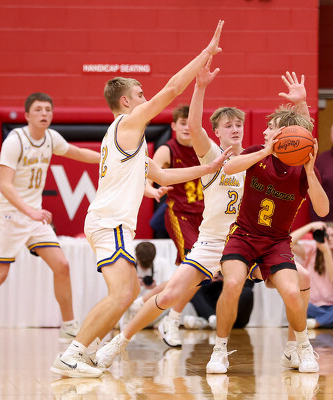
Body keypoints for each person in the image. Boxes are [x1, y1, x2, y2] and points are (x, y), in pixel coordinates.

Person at [51, 20, 228, 378]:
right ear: (126, 101)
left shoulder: (127, 139)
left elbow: (163, 177)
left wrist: (209, 168)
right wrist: (205, 54)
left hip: (108, 222)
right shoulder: (127, 124)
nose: (147, 98)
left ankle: (87, 349)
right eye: (141, 93)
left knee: (128, 290)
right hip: (110, 222)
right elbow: (173, 88)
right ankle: (71, 355)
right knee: (121, 294)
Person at [93, 55, 248, 369]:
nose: (234, 129)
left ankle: (291, 345)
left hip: (242, 240)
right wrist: (200, 86)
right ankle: (125, 338)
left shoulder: (254, 157)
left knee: (284, 280)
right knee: (172, 291)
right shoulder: (209, 152)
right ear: (216, 133)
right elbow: (168, 162)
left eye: (238, 125)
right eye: (227, 125)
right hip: (201, 230)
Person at [0, 92, 101, 350]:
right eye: (38, 110)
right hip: (8, 214)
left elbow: (77, 152)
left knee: (62, 265)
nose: (44, 114)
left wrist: (106, 159)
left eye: (48, 109)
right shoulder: (15, 141)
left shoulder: (51, 138)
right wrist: (31, 211)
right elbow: (5, 185)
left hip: (33, 216)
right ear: (27, 115)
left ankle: (69, 326)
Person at [207, 72, 329, 374]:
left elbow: (323, 210)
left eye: (271, 128)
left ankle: (302, 347)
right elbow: (228, 169)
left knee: (293, 290)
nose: (265, 131)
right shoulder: (255, 155)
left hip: (276, 243)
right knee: (232, 284)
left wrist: (310, 171)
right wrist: (265, 150)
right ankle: (219, 350)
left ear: (286, 136)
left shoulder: (302, 170)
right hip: (244, 237)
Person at [148, 105, 205, 265]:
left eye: (190, 123)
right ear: (174, 126)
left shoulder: (205, 146)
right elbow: (147, 180)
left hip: (205, 213)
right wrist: (153, 191)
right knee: (192, 261)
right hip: (180, 213)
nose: (187, 128)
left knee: (207, 264)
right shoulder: (166, 150)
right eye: (182, 123)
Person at [119, 241, 174, 330]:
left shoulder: (162, 263)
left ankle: (142, 307)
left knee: (173, 288)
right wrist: (132, 282)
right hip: (132, 309)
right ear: (136, 256)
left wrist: (156, 287)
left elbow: (171, 285)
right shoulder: (128, 265)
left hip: (154, 307)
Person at [185, 271, 254, 330]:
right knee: (193, 289)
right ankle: (212, 320)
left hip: (233, 310)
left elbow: (249, 284)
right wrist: (208, 280)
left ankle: (207, 323)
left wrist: (228, 280)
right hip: (212, 306)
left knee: (247, 292)